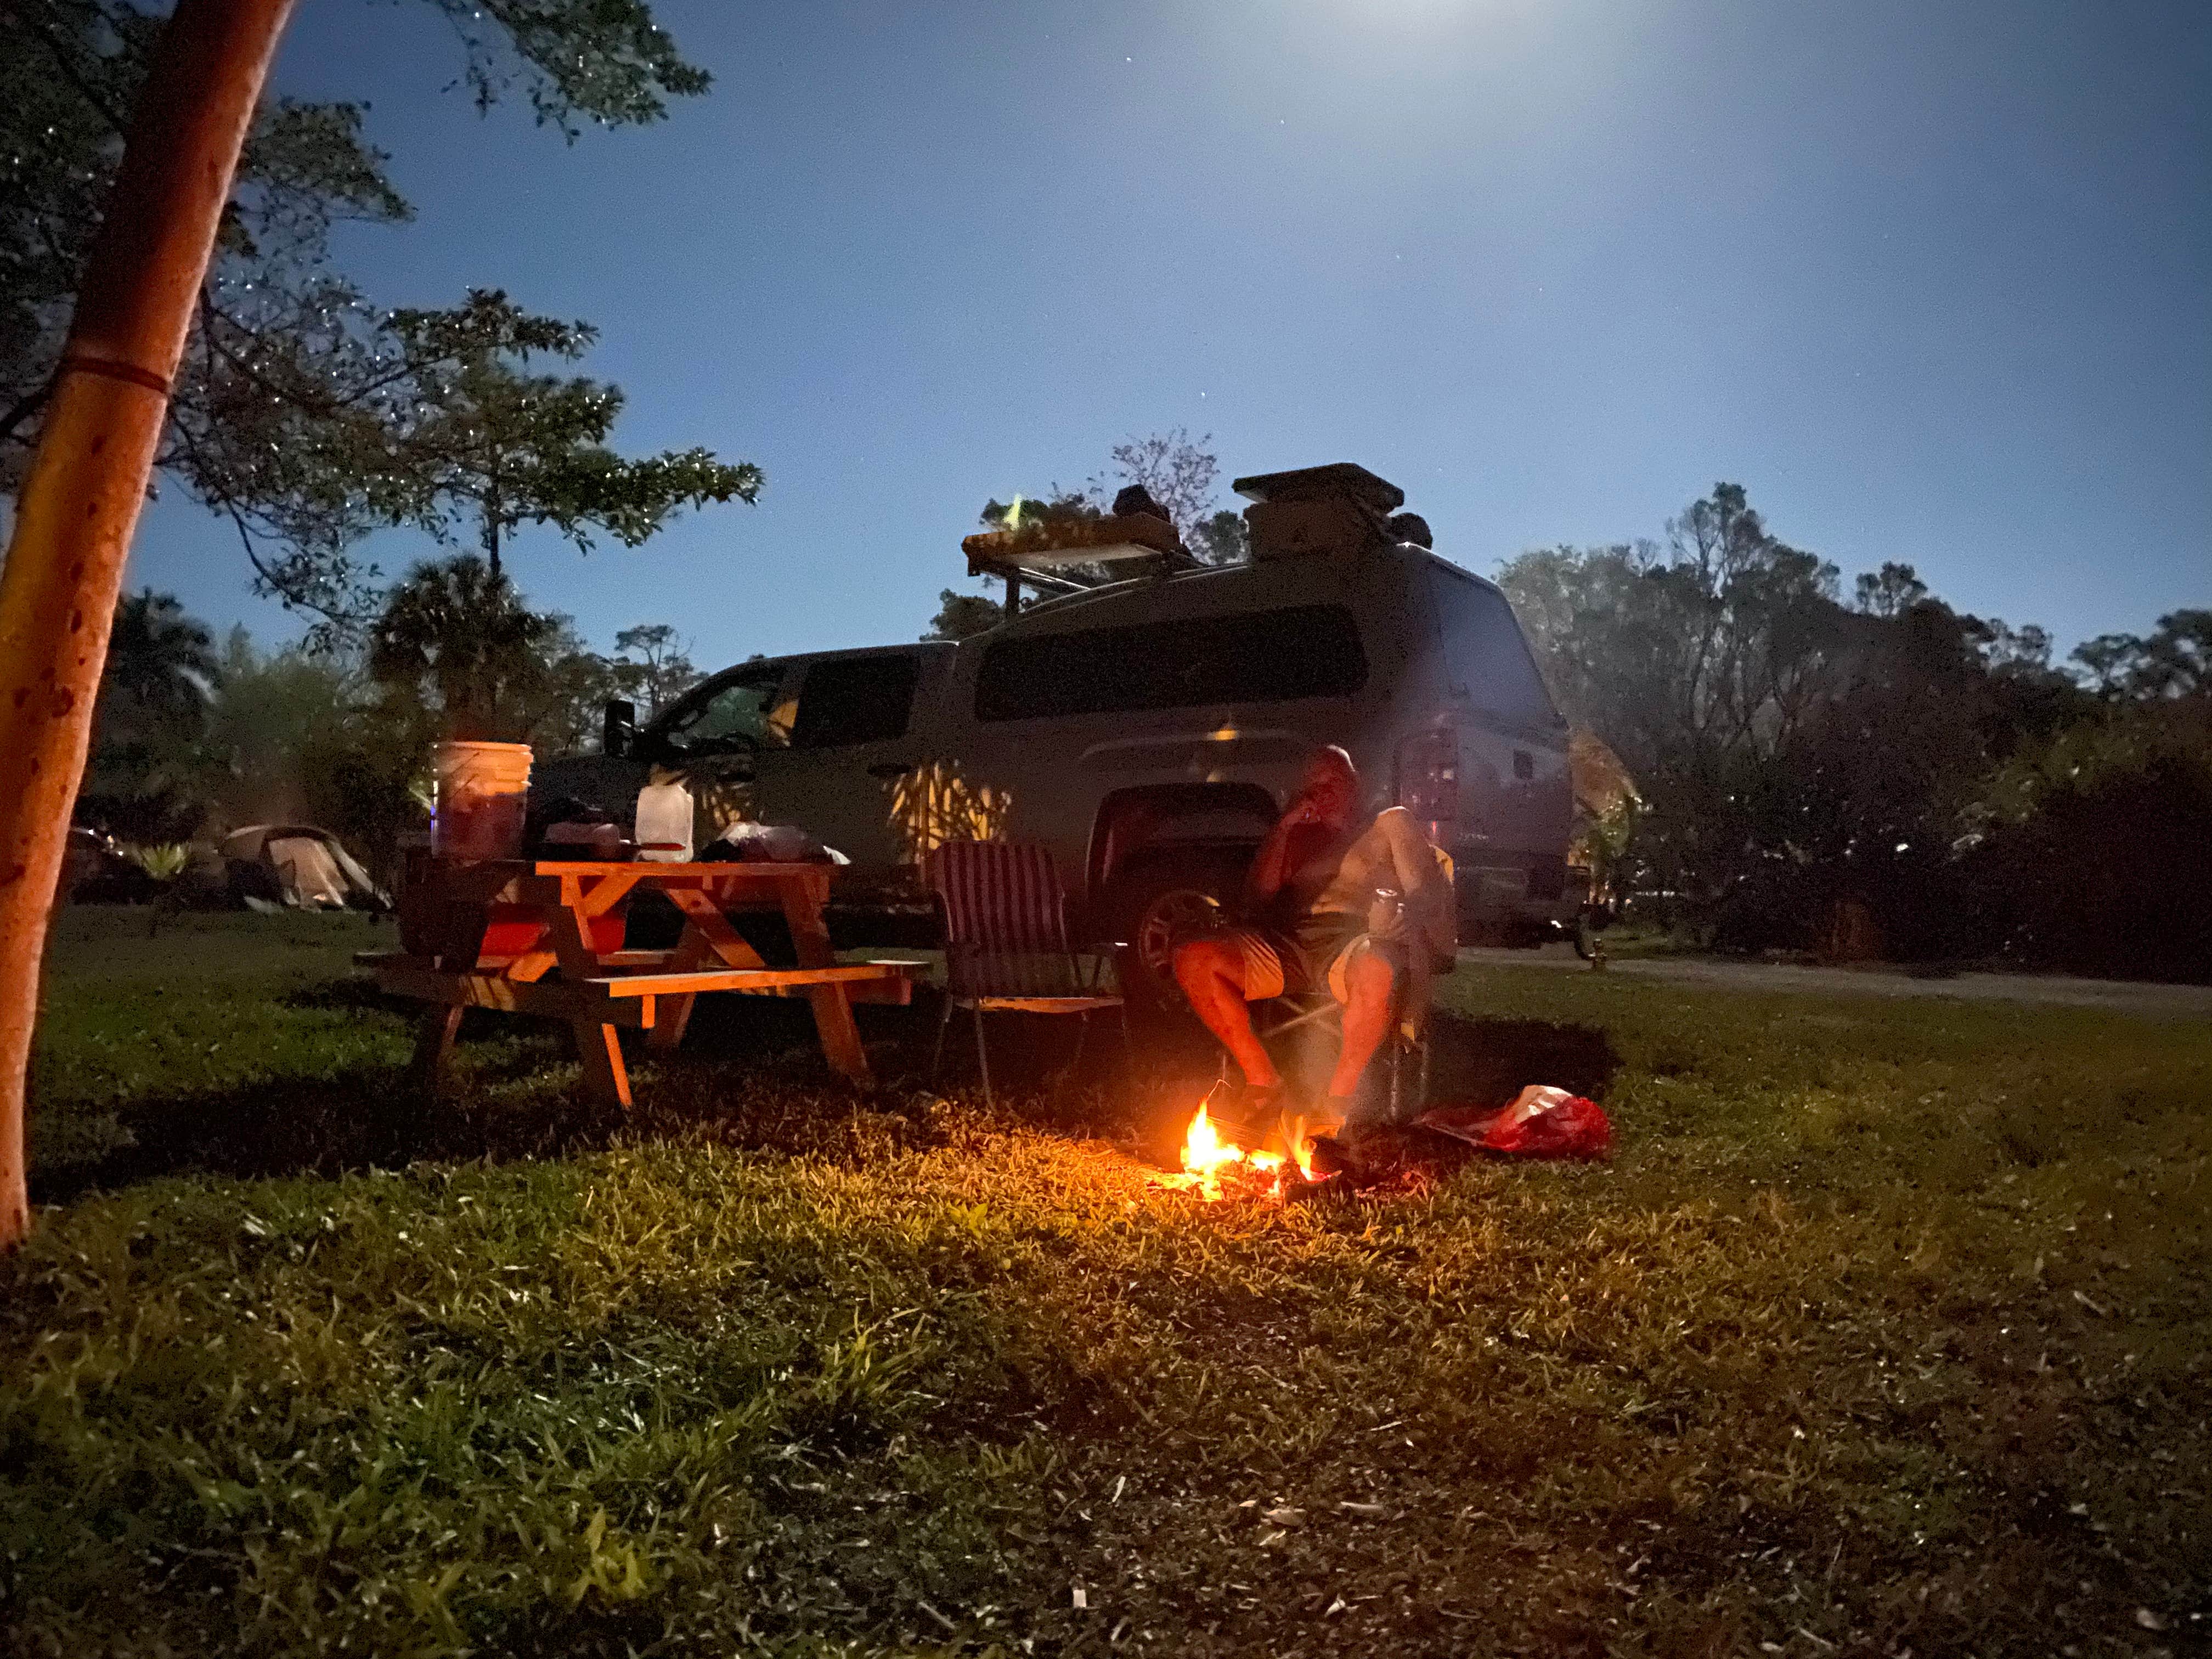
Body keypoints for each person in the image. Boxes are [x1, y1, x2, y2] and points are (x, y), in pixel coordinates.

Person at [1172, 745, 1450, 1151]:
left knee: (1378, 967)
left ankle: (1336, 1104)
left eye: (1333, 781)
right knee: (1192, 956)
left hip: (1353, 941)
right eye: (1312, 786)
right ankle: (1264, 1082)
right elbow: (1256, 899)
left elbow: (1426, 891)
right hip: (1289, 941)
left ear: (1357, 785)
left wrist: (1402, 918)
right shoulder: (1298, 835)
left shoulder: (1388, 824)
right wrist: (1284, 829)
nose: (1322, 793)